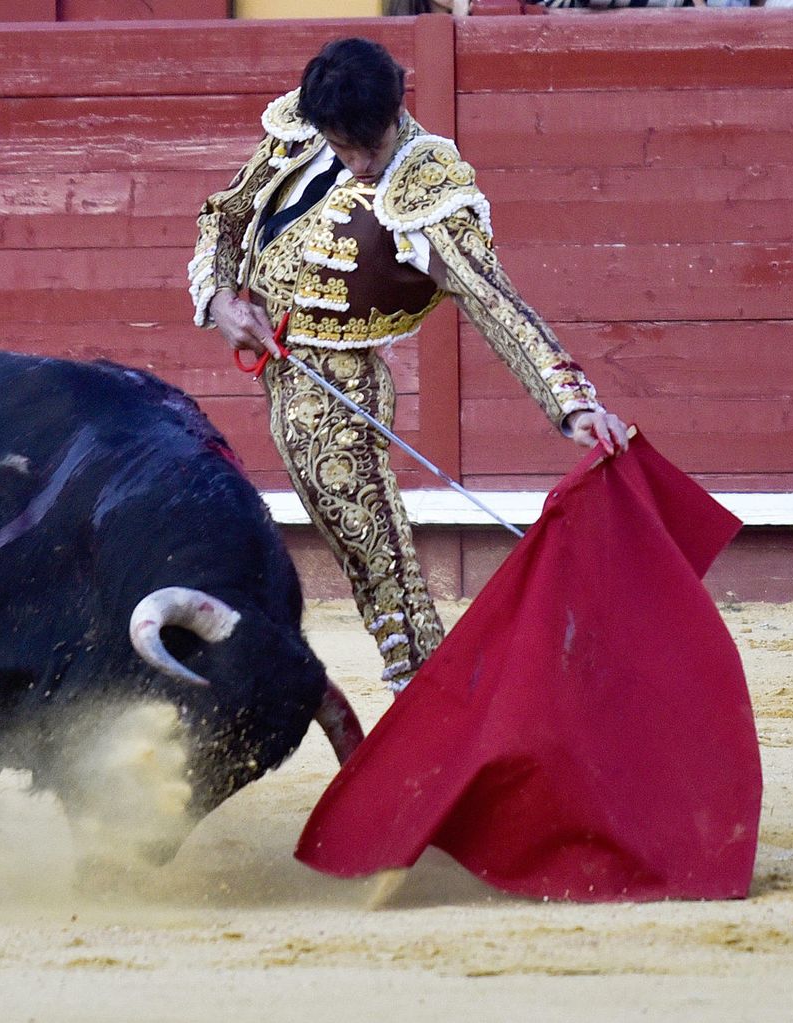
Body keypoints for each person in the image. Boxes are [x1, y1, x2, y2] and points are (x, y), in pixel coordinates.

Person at [188, 37, 627, 693]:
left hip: (341, 391)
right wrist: (222, 298)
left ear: (397, 111)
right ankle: (438, 694)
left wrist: (574, 402)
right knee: (365, 558)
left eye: (372, 146)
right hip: (284, 376)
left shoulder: (425, 187)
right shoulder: (299, 133)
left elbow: (493, 301)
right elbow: (225, 218)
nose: (362, 164)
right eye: (345, 148)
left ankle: (436, 697)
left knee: (379, 563)